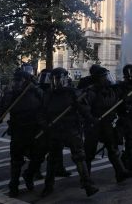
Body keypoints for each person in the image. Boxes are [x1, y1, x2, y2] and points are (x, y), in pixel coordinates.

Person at [40, 67, 97, 198]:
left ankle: (87, 184)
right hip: (55, 129)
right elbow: (41, 112)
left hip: (70, 128)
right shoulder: (48, 94)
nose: (57, 82)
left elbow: (84, 110)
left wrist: (90, 118)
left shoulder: (73, 93)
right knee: (52, 159)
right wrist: (44, 125)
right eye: (54, 79)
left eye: (59, 79)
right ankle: (48, 186)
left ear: (65, 79)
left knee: (79, 156)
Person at [0, 68, 45, 197]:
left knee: (38, 157)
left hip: (34, 129)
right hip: (18, 130)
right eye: (15, 80)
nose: (17, 83)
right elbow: (2, 109)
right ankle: (14, 186)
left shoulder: (36, 91)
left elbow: (45, 108)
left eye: (20, 80)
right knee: (16, 160)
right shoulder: (11, 94)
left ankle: (29, 175)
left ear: (26, 80)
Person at [83, 65, 132, 182]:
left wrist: (127, 108)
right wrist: (92, 119)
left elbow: (119, 103)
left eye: (108, 76)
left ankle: (120, 173)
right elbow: (84, 108)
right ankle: (86, 178)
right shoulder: (91, 92)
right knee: (89, 152)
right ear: (98, 78)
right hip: (94, 125)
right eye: (104, 77)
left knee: (113, 148)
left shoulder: (111, 90)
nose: (107, 79)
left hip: (108, 123)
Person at [115, 64, 132, 178]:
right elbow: (116, 102)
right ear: (127, 74)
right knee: (131, 142)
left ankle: (124, 159)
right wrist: (125, 108)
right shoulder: (121, 86)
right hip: (126, 118)